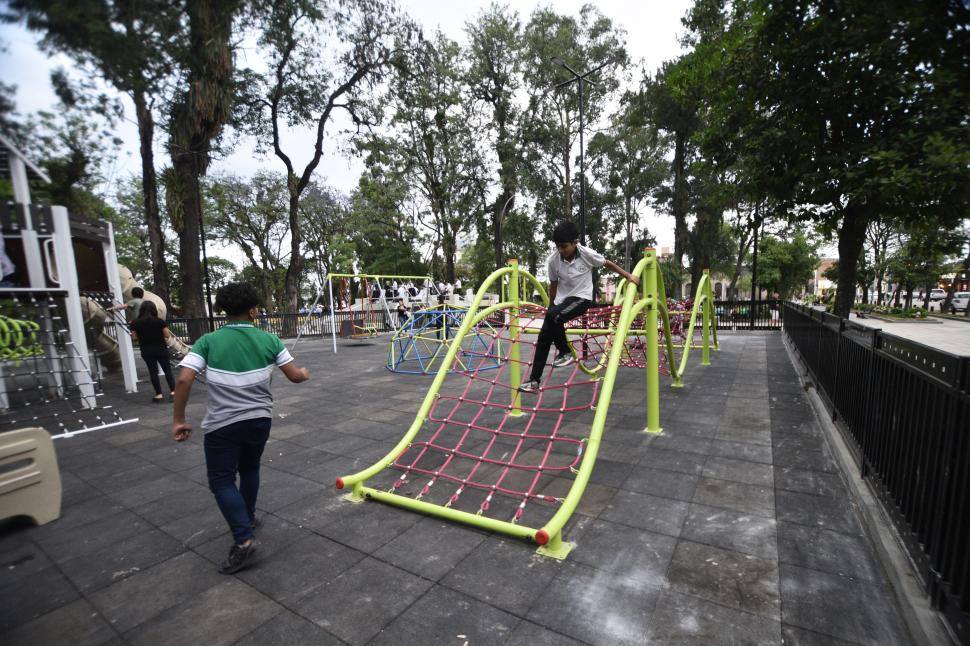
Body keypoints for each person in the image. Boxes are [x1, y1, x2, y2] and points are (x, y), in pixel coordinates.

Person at [172, 282, 310, 574]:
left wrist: (179, 419)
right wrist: (304, 373)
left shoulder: (208, 341)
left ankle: (244, 541)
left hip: (223, 424)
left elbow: (184, 379)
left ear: (223, 310)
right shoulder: (269, 339)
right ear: (253, 310)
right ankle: (246, 517)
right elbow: (295, 376)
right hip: (259, 420)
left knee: (221, 481)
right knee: (249, 468)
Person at [518, 220, 640, 394]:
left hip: (581, 299)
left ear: (575, 242)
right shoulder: (553, 260)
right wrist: (550, 305)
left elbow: (607, 263)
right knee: (544, 337)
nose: (561, 250)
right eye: (558, 247)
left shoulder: (586, 254)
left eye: (564, 246)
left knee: (555, 317)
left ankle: (566, 352)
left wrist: (628, 276)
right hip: (562, 301)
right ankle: (534, 381)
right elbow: (553, 284)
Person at [129, 300, 176, 403]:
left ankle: (158, 394)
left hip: (146, 350)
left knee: (153, 371)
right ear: (154, 310)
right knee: (167, 370)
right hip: (160, 348)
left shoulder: (135, 323)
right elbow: (167, 335)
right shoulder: (159, 321)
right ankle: (173, 392)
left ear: (141, 310)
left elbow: (134, 338)